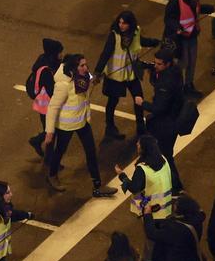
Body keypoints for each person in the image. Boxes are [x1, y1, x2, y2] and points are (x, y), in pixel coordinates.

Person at [44, 53, 119, 197]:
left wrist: (95, 80)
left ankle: (97, 186)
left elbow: (87, 86)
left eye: (85, 64)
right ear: (74, 68)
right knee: (60, 151)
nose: (86, 68)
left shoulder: (82, 77)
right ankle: (52, 175)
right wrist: (49, 131)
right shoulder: (64, 85)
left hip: (82, 122)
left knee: (91, 152)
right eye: (82, 65)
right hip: (67, 125)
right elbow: (53, 107)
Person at [94, 11, 155, 140]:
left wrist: (155, 42)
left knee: (139, 99)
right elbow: (105, 54)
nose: (121, 25)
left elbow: (140, 41)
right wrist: (97, 73)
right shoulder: (114, 35)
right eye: (120, 22)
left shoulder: (136, 32)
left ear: (130, 24)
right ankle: (110, 128)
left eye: (124, 23)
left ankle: (140, 127)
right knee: (112, 102)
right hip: (115, 77)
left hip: (130, 74)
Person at [139, 49, 185, 190]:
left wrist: (143, 103)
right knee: (165, 155)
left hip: (165, 124)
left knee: (165, 156)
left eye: (159, 64)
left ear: (167, 64)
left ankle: (176, 187)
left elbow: (159, 108)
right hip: (172, 120)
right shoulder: (174, 73)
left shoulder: (166, 82)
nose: (155, 66)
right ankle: (174, 185)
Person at [162, 0, 213, 95]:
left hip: (192, 33)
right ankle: (174, 85)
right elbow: (168, 18)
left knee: (192, 61)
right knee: (184, 62)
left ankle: (188, 85)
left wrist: (207, 8)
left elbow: (194, 9)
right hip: (181, 37)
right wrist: (177, 27)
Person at [117, 135, 174, 220]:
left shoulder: (143, 169)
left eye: (139, 144)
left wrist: (122, 175)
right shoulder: (163, 159)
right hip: (166, 206)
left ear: (144, 149)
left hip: (151, 210)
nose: (137, 144)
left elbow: (134, 188)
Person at [25, 38, 65, 155]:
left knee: (50, 130)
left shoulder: (45, 60)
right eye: (59, 52)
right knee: (51, 130)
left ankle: (38, 142)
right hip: (47, 105)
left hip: (44, 104)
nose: (61, 54)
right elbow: (51, 90)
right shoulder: (47, 70)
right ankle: (49, 158)